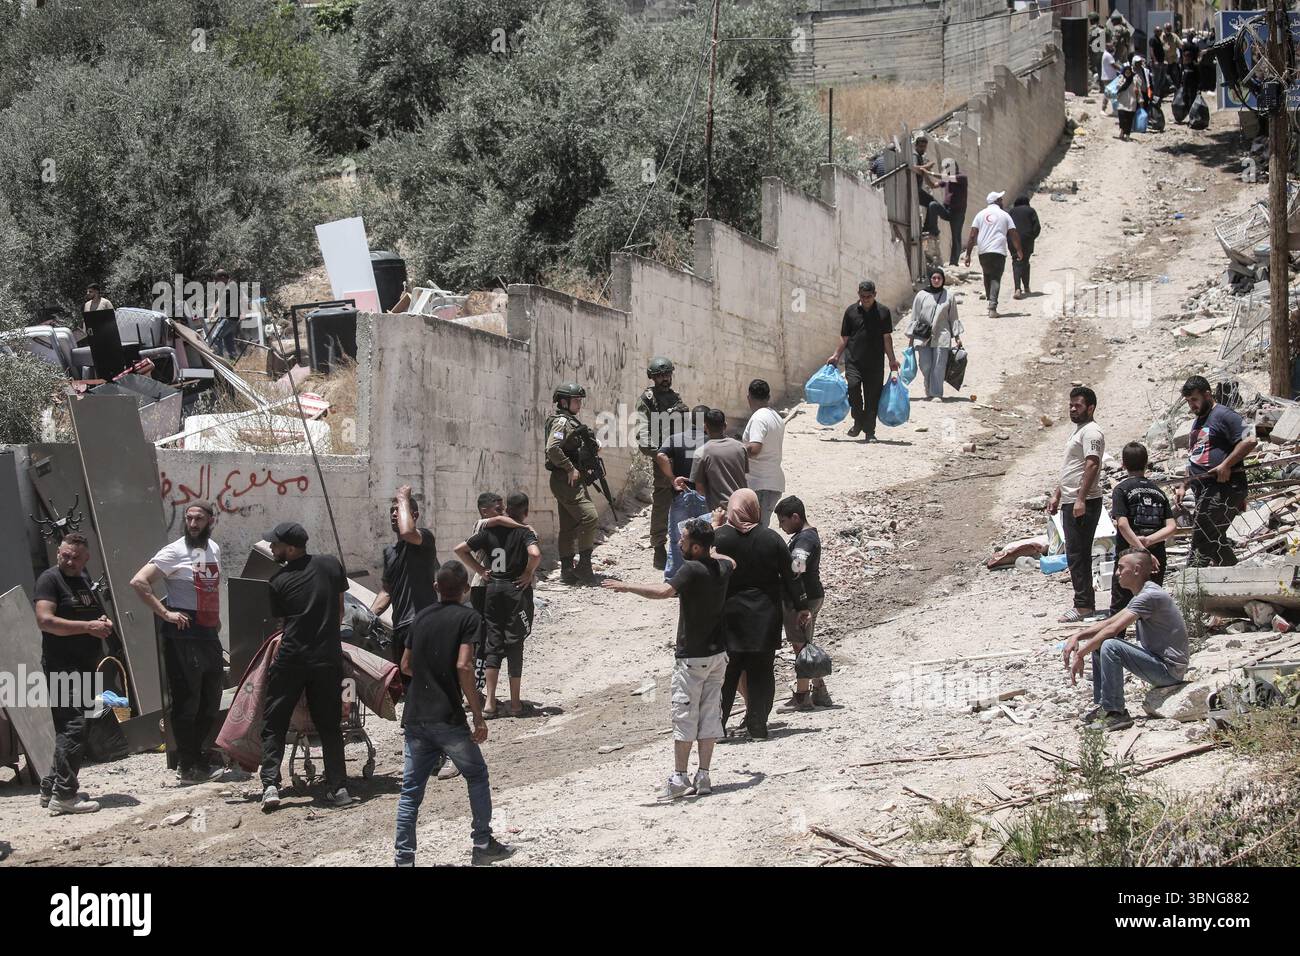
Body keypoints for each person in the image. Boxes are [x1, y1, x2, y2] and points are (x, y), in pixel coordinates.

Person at [602, 518, 735, 799]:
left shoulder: (692, 569)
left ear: (697, 547)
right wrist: (712, 546)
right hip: (718, 655)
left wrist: (628, 586)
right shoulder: (721, 567)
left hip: (692, 658)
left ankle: (679, 778)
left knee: (685, 716)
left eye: (684, 539)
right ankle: (704, 776)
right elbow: (731, 560)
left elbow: (664, 591)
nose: (679, 542)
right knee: (710, 714)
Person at [395, 561, 513, 866]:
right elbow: (463, 665)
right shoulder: (469, 618)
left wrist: (429, 673)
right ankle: (483, 844)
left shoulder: (419, 619)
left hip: (415, 716)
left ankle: (404, 858)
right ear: (465, 590)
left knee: (410, 792)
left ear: (436, 588)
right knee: (476, 774)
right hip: (446, 716)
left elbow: (405, 666)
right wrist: (478, 714)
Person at [258, 523, 351, 812]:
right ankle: (339, 788)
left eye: (275, 544)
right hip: (326, 658)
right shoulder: (331, 565)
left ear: (291, 548)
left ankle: (271, 785)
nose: (272, 548)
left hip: (292, 659)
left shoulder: (277, 581)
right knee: (330, 725)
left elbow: (284, 625)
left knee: (275, 721)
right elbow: (339, 611)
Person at [130, 502, 224, 783]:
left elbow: (210, 589)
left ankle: (201, 758)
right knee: (187, 702)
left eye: (199, 519)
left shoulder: (213, 549)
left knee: (211, 699)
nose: (193, 523)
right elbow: (139, 582)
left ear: (211, 521)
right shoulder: (173, 551)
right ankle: (188, 765)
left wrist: (215, 620)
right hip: (184, 636)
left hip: (208, 634)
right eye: (189, 518)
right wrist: (166, 613)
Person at [713, 489, 809, 740]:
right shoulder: (772, 538)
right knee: (761, 672)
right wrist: (802, 607)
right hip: (764, 616)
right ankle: (758, 727)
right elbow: (792, 576)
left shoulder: (719, 538)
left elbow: (703, 574)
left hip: (729, 616)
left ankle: (716, 728)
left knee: (727, 675)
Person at [1061, 550, 1189, 732]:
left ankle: (1117, 713)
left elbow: (1113, 630)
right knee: (1100, 645)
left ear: (1136, 569)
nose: (1117, 573)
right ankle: (1105, 707)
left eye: (1121, 568)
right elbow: (1109, 622)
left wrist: (1081, 654)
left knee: (1110, 645)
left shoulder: (1149, 596)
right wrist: (1077, 636)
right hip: (1159, 663)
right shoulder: (1143, 594)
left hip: (1169, 671)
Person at [34, 533, 113, 815]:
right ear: (58, 553)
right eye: (65, 555)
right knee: (73, 727)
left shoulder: (82, 581)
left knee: (78, 727)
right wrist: (88, 628)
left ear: (86, 558)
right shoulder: (50, 579)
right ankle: (65, 796)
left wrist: (104, 623)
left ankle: (50, 787)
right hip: (61, 666)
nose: (69, 560)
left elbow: (96, 616)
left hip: (85, 666)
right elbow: (45, 621)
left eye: (75, 557)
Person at [454, 493, 541, 718]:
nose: (500, 511)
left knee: (491, 643)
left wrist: (482, 570)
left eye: (502, 507)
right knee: (515, 642)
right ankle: (514, 704)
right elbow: (535, 554)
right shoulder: (522, 531)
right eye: (496, 507)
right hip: (513, 591)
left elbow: (460, 548)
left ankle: (489, 703)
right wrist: (528, 573)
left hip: (490, 590)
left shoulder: (487, 531)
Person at [1175, 376, 1256, 567]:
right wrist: (1184, 484)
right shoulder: (1198, 421)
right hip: (1204, 490)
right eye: (1188, 402)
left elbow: (1250, 440)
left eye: (1194, 400)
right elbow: (1196, 457)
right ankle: (1238, 581)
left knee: (1201, 538)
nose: (1192, 406)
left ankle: (1191, 586)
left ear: (1207, 395)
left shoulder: (1224, 415)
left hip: (1222, 488)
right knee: (1215, 541)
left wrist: (1226, 464)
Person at [1048, 387, 1105, 623]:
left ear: (1090, 408)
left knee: (1078, 553)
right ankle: (1084, 603)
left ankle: (1083, 606)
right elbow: (1072, 467)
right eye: (1071, 405)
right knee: (1074, 553)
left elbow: (1091, 465)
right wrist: (1057, 494)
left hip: (1084, 502)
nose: (1073, 409)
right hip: (1072, 500)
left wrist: (1080, 498)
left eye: (1078, 405)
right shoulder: (1078, 431)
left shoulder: (1092, 432)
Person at [370, 485, 437, 669]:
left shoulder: (424, 539)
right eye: (391, 511)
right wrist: (368, 616)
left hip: (422, 622)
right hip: (400, 627)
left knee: (424, 677)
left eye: (398, 510)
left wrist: (403, 498)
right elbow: (386, 591)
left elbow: (408, 532)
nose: (393, 514)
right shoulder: (389, 552)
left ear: (413, 515)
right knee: (407, 682)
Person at [773, 497, 830, 712]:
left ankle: (803, 697)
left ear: (795, 517)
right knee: (806, 643)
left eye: (782, 520)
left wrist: (800, 603)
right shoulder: (806, 536)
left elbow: (796, 567)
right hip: (812, 595)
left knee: (801, 646)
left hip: (803, 599)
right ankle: (820, 691)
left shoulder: (804, 539)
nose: (781, 525)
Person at [1110, 442, 1177, 622]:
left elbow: (1123, 525)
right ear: (1146, 464)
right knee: (1151, 606)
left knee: (1119, 606)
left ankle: (1113, 646)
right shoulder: (1158, 492)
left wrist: (1142, 549)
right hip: (1157, 555)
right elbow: (1171, 527)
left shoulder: (1121, 489)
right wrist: (1149, 541)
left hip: (1129, 556)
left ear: (1123, 465)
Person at [828, 280, 900, 441]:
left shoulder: (883, 312)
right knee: (853, 389)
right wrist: (836, 355)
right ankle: (858, 420)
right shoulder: (851, 311)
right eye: (862, 296)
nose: (866, 299)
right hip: (854, 361)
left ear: (875, 294)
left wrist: (892, 360)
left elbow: (886, 338)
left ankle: (870, 432)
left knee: (872, 397)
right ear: (858, 295)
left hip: (875, 363)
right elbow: (844, 337)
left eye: (869, 296)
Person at [545, 381, 600, 585]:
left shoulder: (570, 421)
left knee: (568, 526)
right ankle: (584, 566)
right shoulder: (561, 422)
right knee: (590, 517)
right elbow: (552, 448)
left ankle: (567, 570)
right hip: (565, 478)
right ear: (563, 401)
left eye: (579, 400)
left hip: (569, 480)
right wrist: (570, 468)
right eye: (576, 400)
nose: (579, 403)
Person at [636, 357, 688, 571]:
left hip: (681, 454)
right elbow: (643, 428)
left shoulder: (675, 398)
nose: (665, 379)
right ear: (653, 378)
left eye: (667, 375)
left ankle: (684, 545)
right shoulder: (648, 399)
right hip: (663, 455)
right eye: (660, 376)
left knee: (684, 499)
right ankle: (659, 546)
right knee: (662, 502)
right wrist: (657, 453)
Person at [657, 405, 712, 579]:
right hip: (705, 496)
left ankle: (674, 580)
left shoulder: (675, 438)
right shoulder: (711, 441)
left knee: (677, 540)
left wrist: (672, 478)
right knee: (705, 540)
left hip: (682, 495)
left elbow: (660, 456)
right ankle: (703, 577)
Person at [905, 267, 962, 401]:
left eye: (939, 278)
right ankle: (928, 386)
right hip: (922, 335)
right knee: (925, 365)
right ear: (930, 279)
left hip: (942, 334)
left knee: (939, 365)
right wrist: (911, 339)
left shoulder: (949, 296)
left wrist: (957, 337)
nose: (936, 280)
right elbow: (915, 317)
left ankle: (936, 393)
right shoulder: (921, 295)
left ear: (943, 280)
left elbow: (953, 317)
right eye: (934, 278)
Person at [963, 191, 1023, 317]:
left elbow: (972, 235)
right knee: (995, 277)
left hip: (983, 251)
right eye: (1000, 199)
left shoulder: (980, 215)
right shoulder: (1004, 215)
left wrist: (968, 254)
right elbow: (1013, 233)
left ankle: (990, 301)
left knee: (987, 274)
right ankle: (992, 306)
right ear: (996, 201)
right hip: (998, 251)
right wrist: (1019, 250)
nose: (1002, 201)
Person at [742, 379, 786, 527]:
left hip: (760, 484)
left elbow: (754, 449)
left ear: (749, 397)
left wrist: (734, 449)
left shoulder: (759, 418)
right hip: (770, 482)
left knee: (755, 532)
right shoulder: (776, 417)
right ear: (768, 396)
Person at [689, 408, 749, 511]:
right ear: (725, 425)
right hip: (742, 507)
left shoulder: (701, 452)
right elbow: (743, 474)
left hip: (720, 512)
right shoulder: (740, 447)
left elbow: (700, 489)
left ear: (705, 427)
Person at [936, 158, 968, 266]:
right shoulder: (947, 179)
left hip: (957, 213)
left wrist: (928, 172)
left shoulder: (961, 177)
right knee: (933, 206)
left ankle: (954, 263)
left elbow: (945, 178)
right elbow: (934, 185)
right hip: (947, 210)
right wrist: (924, 175)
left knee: (956, 236)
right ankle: (932, 228)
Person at [1008, 195, 1041, 298]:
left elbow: (1007, 226)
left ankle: (1017, 288)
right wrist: (1031, 237)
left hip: (1013, 240)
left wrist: (1008, 239)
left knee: (1016, 262)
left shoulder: (1011, 212)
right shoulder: (1031, 210)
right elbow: (1037, 227)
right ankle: (1026, 287)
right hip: (1027, 240)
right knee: (1025, 261)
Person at [1114, 63, 1138, 140]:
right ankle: (1122, 130)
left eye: (1129, 72)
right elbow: (1116, 87)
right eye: (1126, 72)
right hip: (1122, 102)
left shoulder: (1135, 80)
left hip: (1131, 103)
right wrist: (1121, 82)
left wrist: (1141, 100)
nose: (1127, 74)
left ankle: (1127, 135)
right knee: (1122, 118)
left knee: (1129, 120)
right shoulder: (1121, 78)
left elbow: (1139, 90)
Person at [1088, 12, 1105, 86]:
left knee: (1091, 69)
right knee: (1100, 69)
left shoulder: (1093, 29)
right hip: (1101, 51)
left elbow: (1089, 40)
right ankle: (1101, 87)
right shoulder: (1102, 29)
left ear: (1091, 20)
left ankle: (1093, 85)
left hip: (1094, 52)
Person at [1100, 44, 1119, 110]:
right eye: (1112, 47)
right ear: (1108, 47)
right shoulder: (1108, 55)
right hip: (1108, 77)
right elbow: (1114, 65)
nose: (1113, 48)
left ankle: (1114, 109)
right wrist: (1122, 69)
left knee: (1111, 93)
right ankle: (1103, 109)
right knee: (1109, 93)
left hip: (1108, 77)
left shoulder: (1106, 54)